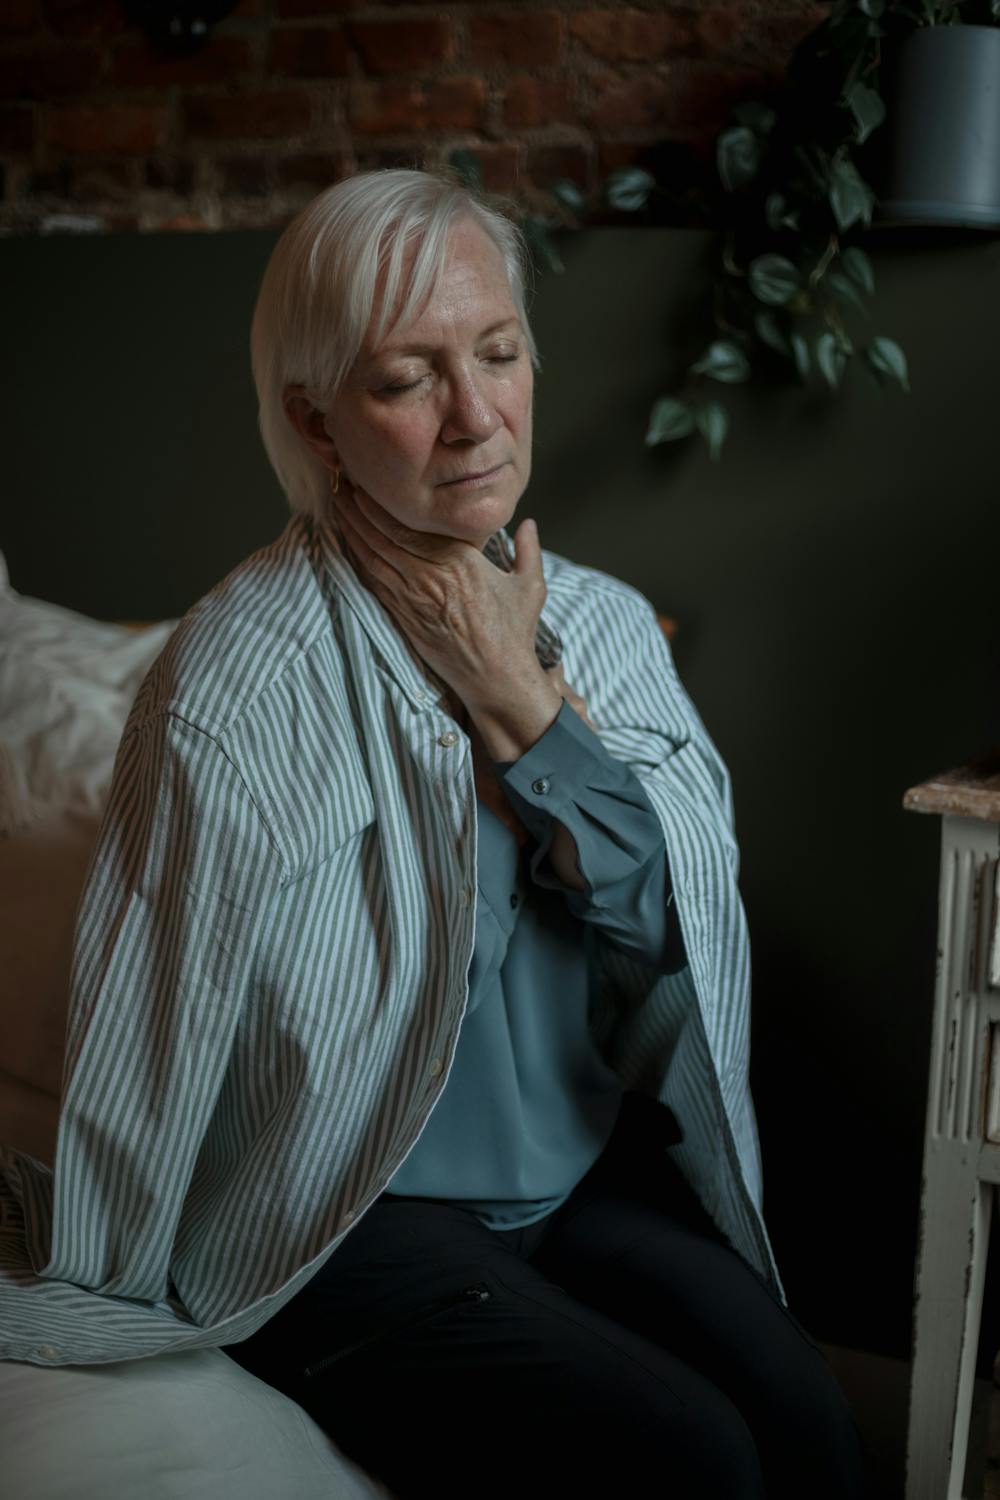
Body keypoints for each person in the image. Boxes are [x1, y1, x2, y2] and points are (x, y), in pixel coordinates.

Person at [0, 168, 868, 1499]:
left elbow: (670, 922)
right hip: (347, 1217)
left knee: (811, 1424)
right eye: (408, 380)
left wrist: (521, 704)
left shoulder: (609, 625)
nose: (476, 417)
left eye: (500, 354)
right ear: (318, 417)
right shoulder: (239, 677)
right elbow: (153, 1007)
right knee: (691, 1458)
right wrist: (103, 1267)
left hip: (573, 1182)